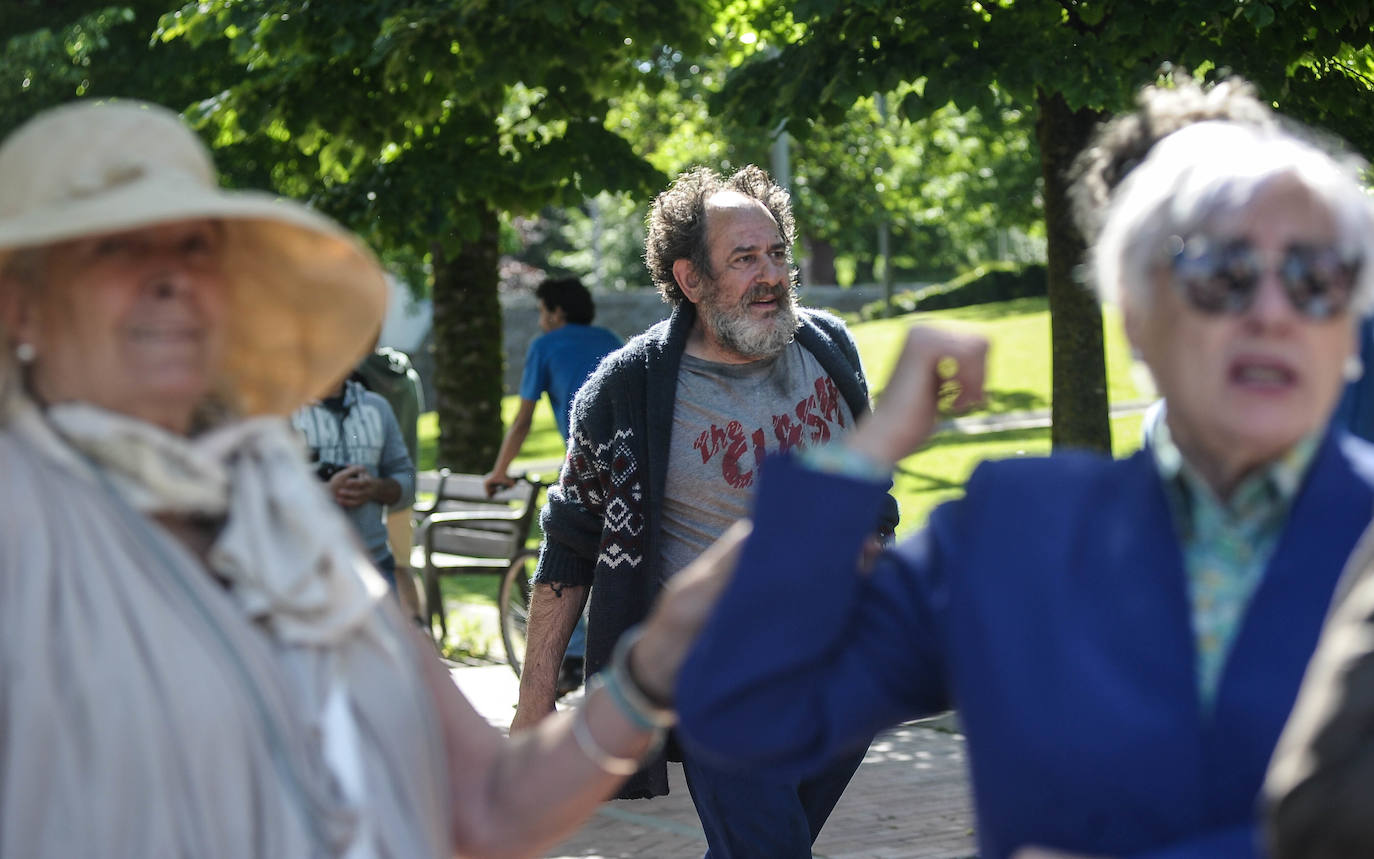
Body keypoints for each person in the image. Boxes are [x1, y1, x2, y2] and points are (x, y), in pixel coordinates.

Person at [671, 84, 1374, 858]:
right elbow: (738, 712)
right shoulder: (1012, 530)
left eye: (1316, 278)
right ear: (1136, 312)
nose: (1273, 311)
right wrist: (862, 455)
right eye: (1224, 273)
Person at [0, 97, 709, 858]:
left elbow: (489, 804)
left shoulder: (276, 513)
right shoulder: (21, 523)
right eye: (116, 248)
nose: (172, 278)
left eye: (197, 248)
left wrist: (652, 661)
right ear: (19, 306)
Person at [512, 163, 899, 858]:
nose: (773, 273)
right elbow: (569, 546)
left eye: (777, 252)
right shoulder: (626, 392)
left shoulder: (829, 346)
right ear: (690, 280)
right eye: (745, 257)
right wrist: (533, 704)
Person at [484, 275, 623, 693]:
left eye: (543, 311)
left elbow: (523, 420)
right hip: (630, 461)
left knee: (564, 549)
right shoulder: (612, 338)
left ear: (557, 312)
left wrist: (498, 470)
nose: (542, 320)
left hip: (584, 464)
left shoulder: (544, 346)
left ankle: (572, 656)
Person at [292, 371, 416, 591]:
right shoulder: (285, 412)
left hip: (375, 566)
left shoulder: (378, 408)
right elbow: (264, 492)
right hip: (306, 569)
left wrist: (377, 488)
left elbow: (407, 477)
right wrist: (325, 491)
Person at [355, 344, 427, 620]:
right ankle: (420, 634)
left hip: (369, 490)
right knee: (402, 566)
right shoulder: (407, 375)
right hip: (403, 485)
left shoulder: (361, 377)